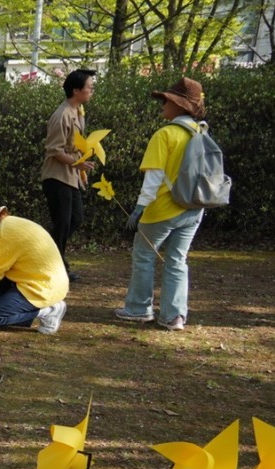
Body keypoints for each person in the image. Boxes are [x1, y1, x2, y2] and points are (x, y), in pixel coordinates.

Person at [113, 77, 207, 333]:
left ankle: (138, 309)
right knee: (177, 260)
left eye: (166, 100)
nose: (162, 105)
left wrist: (139, 208)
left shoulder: (165, 134)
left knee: (143, 256)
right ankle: (174, 316)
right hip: (194, 207)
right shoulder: (202, 131)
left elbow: (153, 178)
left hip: (163, 209)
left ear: (178, 106)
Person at [0, 197, 68, 334]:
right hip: (54, 282)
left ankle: (48, 311)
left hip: (40, 288)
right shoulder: (13, 223)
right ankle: (23, 311)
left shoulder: (2, 234)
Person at [41, 69, 97, 277]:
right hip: (57, 176)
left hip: (71, 176)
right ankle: (54, 265)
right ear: (76, 90)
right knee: (63, 222)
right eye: (89, 87)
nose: (92, 90)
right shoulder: (62, 114)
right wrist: (78, 163)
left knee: (75, 219)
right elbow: (53, 150)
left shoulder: (78, 111)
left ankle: (51, 256)